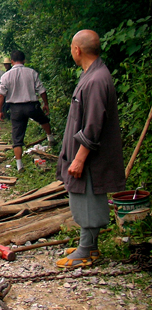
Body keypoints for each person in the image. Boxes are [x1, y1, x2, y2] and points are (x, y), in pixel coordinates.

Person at [56, 30, 125, 268]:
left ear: (78, 50)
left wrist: (79, 159)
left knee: (88, 201)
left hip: (89, 158)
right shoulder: (92, 74)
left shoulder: (96, 80)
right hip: (84, 156)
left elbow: (93, 125)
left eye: (71, 48)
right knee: (83, 199)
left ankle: (86, 250)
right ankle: (89, 246)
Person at [0, 50, 56, 173]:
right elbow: (42, 90)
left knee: (17, 137)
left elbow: (1, 95)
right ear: (24, 60)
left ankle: (19, 165)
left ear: (12, 61)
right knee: (44, 120)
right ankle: (50, 139)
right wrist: (46, 104)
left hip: (15, 109)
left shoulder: (6, 76)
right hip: (31, 106)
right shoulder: (32, 72)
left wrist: (0, 110)